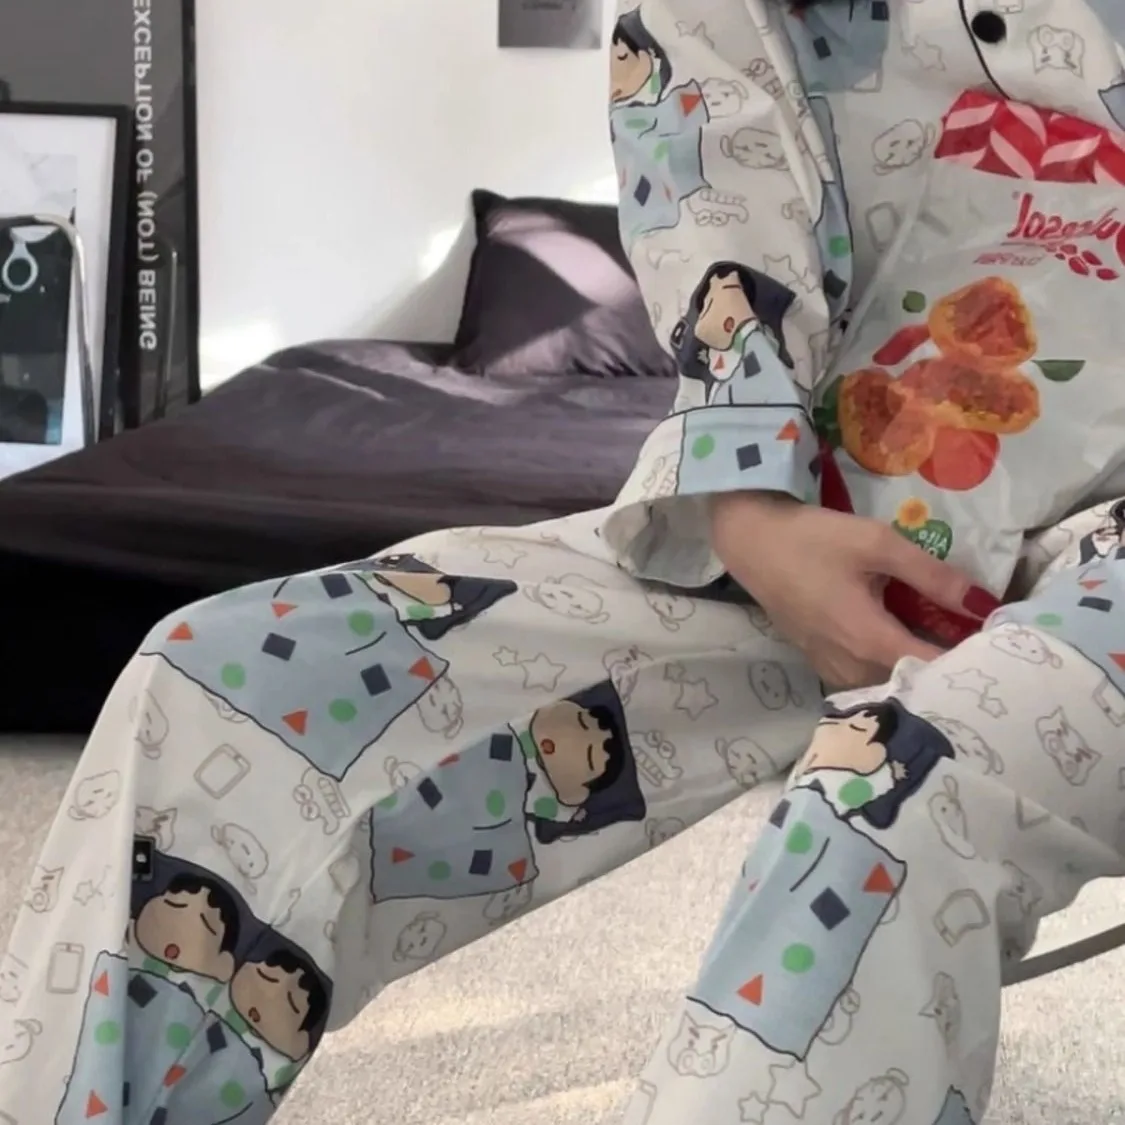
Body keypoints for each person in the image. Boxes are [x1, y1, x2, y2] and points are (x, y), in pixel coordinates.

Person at [0, 1, 1123, 1122]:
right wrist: (745, 505)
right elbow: (712, 183)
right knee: (216, 684)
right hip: (825, 509)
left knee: (893, 789)